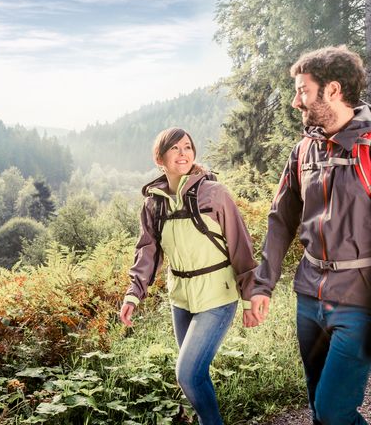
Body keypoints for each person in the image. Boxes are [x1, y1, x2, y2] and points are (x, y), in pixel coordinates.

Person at [250, 45, 371, 425]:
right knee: (319, 405)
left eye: (302, 90)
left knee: (336, 412)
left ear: (332, 90)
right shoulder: (303, 150)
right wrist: (262, 285)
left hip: (359, 302)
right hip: (308, 295)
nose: (294, 101)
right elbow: (282, 219)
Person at [120, 127, 257, 425]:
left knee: (187, 374)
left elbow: (241, 246)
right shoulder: (154, 203)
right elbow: (148, 251)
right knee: (194, 375)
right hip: (180, 298)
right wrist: (134, 292)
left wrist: (249, 299)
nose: (183, 154)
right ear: (160, 158)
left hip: (217, 295)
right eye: (175, 149)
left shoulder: (214, 194)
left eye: (187, 147)